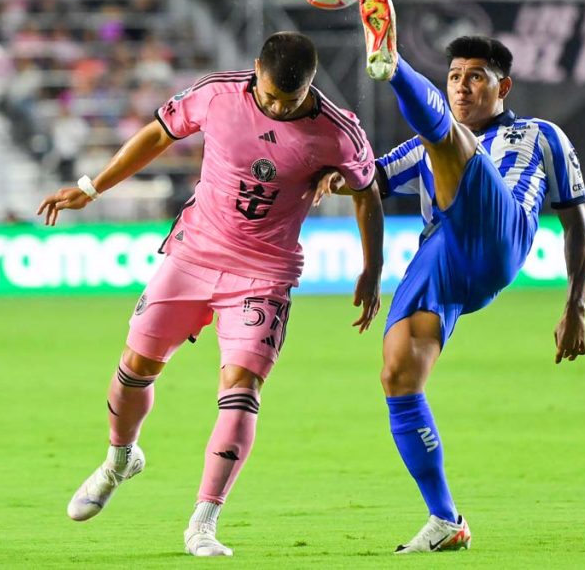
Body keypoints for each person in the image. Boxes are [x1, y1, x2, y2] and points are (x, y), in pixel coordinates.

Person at [36, 32, 384, 558]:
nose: (274, 107)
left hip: (264, 273)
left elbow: (367, 192)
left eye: (288, 102)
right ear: (255, 71)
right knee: (135, 366)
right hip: (194, 253)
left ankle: (203, 521)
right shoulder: (218, 94)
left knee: (242, 386)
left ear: (310, 88)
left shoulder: (338, 132)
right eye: (268, 96)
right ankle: (119, 459)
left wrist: (372, 267)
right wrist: (90, 187)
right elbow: (158, 134)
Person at [314, 0, 585, 553]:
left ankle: (391, 67)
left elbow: (577, 223)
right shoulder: (426, 144)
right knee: (397, 375)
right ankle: (446, 520)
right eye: (455, 77)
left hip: (499, 232)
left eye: (475, 77)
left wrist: (575, 304)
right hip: (441, 254)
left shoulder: (540, 136)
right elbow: (368, 179)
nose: (463, 86)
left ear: (502, 85)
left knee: (453, 143)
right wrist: (333, 173)